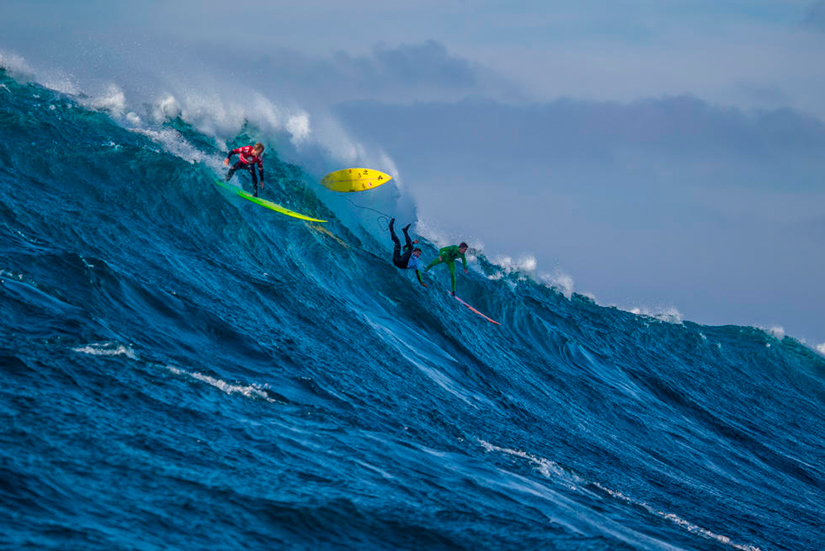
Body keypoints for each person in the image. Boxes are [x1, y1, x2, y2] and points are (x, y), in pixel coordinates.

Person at [389, 218, 426, 287]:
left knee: (410, 248)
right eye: (418, 253)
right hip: (397, 260)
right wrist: (412, 242)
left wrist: (421, 282)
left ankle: (405, 231)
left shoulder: (416, 262)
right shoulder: (409, 253)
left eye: (419, 254)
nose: (418, 255)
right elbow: (404, 247)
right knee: (397, 242)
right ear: (414, 252)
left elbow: (418, 273)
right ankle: (391, 227)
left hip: (402, 264)